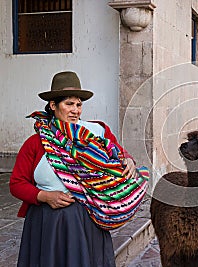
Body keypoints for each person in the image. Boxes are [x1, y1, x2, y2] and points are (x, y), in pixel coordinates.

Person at [9, 71, 143, 267]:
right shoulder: (36, 143)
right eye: (69, 104)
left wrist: (128, 160)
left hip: (88, 220)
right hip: (50, 224)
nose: (75, 110)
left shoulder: (96, 131)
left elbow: (118, 152)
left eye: (79, 104)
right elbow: (16, 184)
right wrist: (44, 196)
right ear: (53, 105)